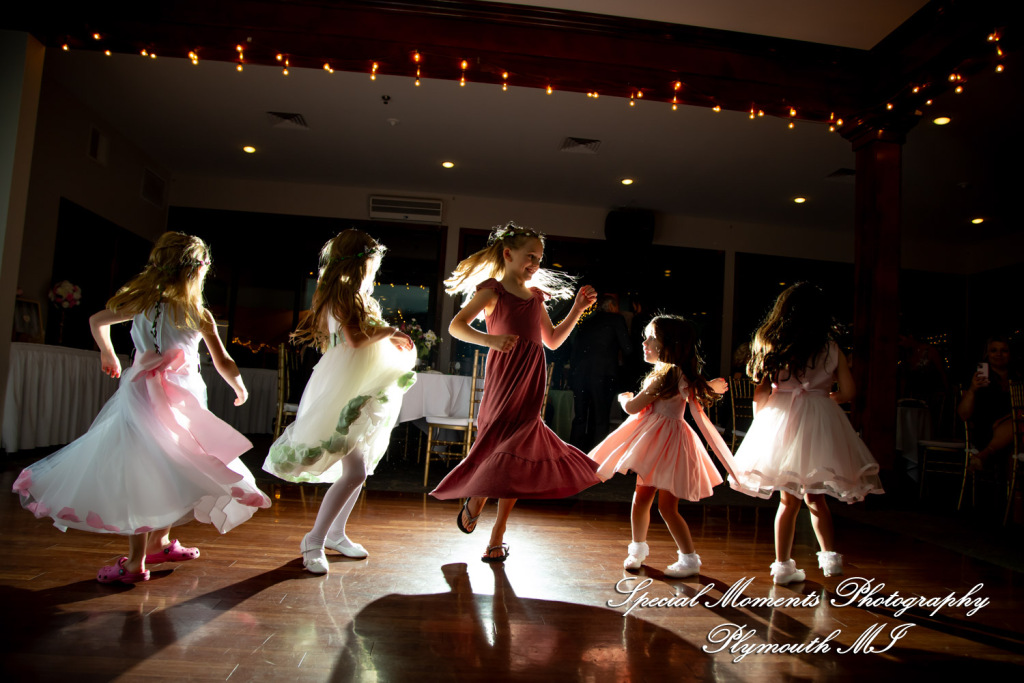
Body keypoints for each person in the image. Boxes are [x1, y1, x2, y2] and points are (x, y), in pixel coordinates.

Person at [12, 232, 270, 584]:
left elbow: (96, 321)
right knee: (153, 465)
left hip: (150, 390)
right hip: (173, 393)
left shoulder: (144, 303)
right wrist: (239, 386)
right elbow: (223, 361)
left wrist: (107, 351)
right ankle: (134, 562)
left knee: (163, 462)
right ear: (196, 273)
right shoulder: (197, 312)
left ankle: (158, 543)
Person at [431, 221, 600, 562]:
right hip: (503, 378)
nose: (535, 264)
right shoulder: (493, 291)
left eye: (539, 258)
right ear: (508, 254)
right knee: (496, 444)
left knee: (521, 454)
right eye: (530, 256)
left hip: (531, 379)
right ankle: (478, 495)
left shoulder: (536, 297)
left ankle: (497, 535)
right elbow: (456, 326)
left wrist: (577, 311)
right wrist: (490, 340)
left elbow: (551, 341)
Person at [264, 230, 416, 574]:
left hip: (356, 385)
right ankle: (314, 540)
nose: (374, 271)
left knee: (358, 471)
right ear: (361, 263)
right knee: (355, 470)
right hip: (343, 388)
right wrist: (391, 331)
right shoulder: (344, 296)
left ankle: (335, 533)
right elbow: (356, 339)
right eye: (373, 264)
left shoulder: (354, 296)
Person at [729, 283, 883, 585]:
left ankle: (783, 566)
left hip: (781, 419)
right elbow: (849, 392)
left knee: (787, 501)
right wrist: (823, 399)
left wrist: (763, 422)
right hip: (819, 420)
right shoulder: (831, 347)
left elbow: (760, 393)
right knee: (817, 498)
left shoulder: (772, 344)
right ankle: (829, 559)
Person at [589, 315, 737, 577]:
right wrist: (711, 387)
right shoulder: (678, 372)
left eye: (651, 338)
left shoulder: (667, 374)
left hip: (660, 443)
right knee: (667, 507)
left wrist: (625, 399)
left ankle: (638, 551)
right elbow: (696, 391)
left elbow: (634, 408)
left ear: (669, 344)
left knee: (643, 499)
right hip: (673, 442)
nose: (644, 342)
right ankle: (687, 558)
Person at [569, 294, 632, 450]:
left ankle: (573, 455)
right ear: (612, 306)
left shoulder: (586, 322)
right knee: (601, 417)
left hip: (580, 375)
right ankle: (596, 459)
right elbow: (628, 348)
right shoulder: (616, 320)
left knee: (580, 417)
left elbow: (575, 350)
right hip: (604, 374)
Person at [958, 336, 1018, 471]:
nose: (999, 354)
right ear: (987, 354)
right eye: (994, 350)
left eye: (1004, 350)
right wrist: (973, 389)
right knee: (1016, 437)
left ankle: (983, 457)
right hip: (986, 432)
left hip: (1014, 430)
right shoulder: (979, 376)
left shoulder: (1017, 376)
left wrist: (1006, 420)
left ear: (1010, 354)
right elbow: (963, 415)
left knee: (1016, 437)